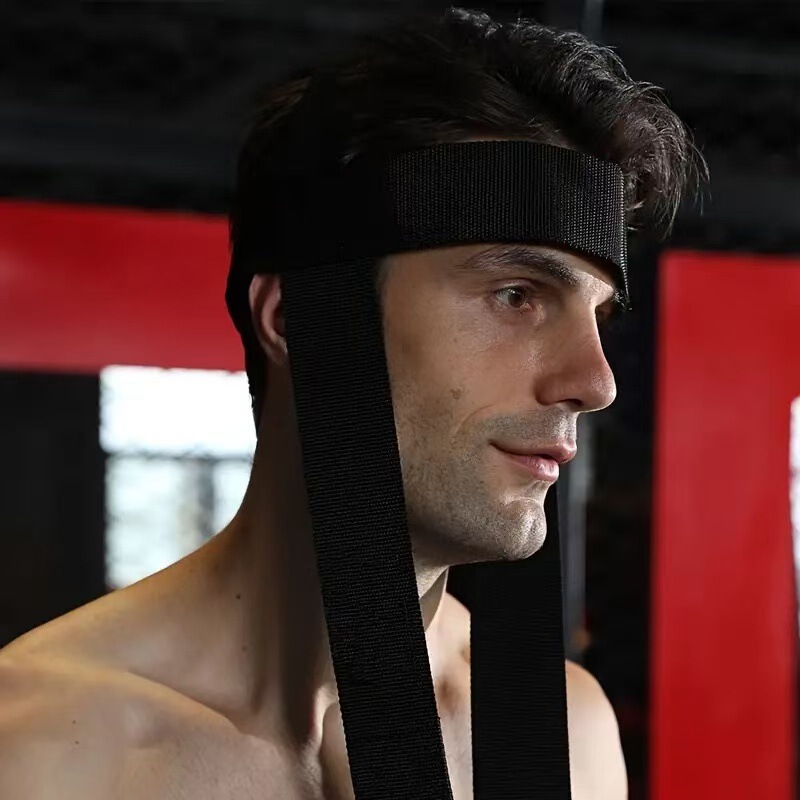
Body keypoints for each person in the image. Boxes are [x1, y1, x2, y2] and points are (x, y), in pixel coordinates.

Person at [0, 8, 702, 799]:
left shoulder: (566, 731)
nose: (596, 382)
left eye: (598, 317)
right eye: (516, 295)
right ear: (298, 322)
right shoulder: (39, 752)